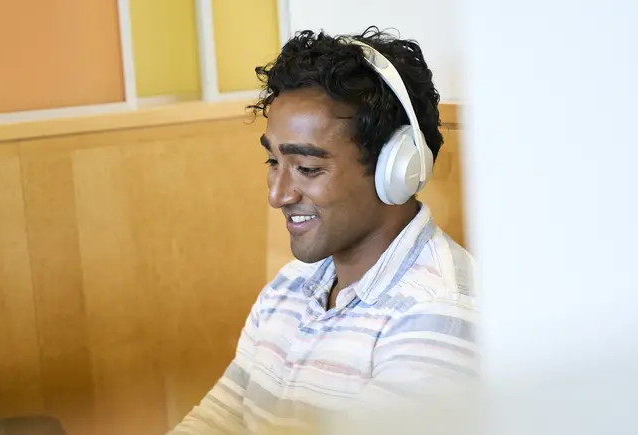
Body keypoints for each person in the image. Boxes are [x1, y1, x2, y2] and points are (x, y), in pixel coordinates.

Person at [169, 27, 476, 435]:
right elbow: (218, 420)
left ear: (397, 171)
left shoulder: (438, 315)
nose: (277, 195)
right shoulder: (290, 285)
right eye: (273, 163)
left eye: (308, 168)